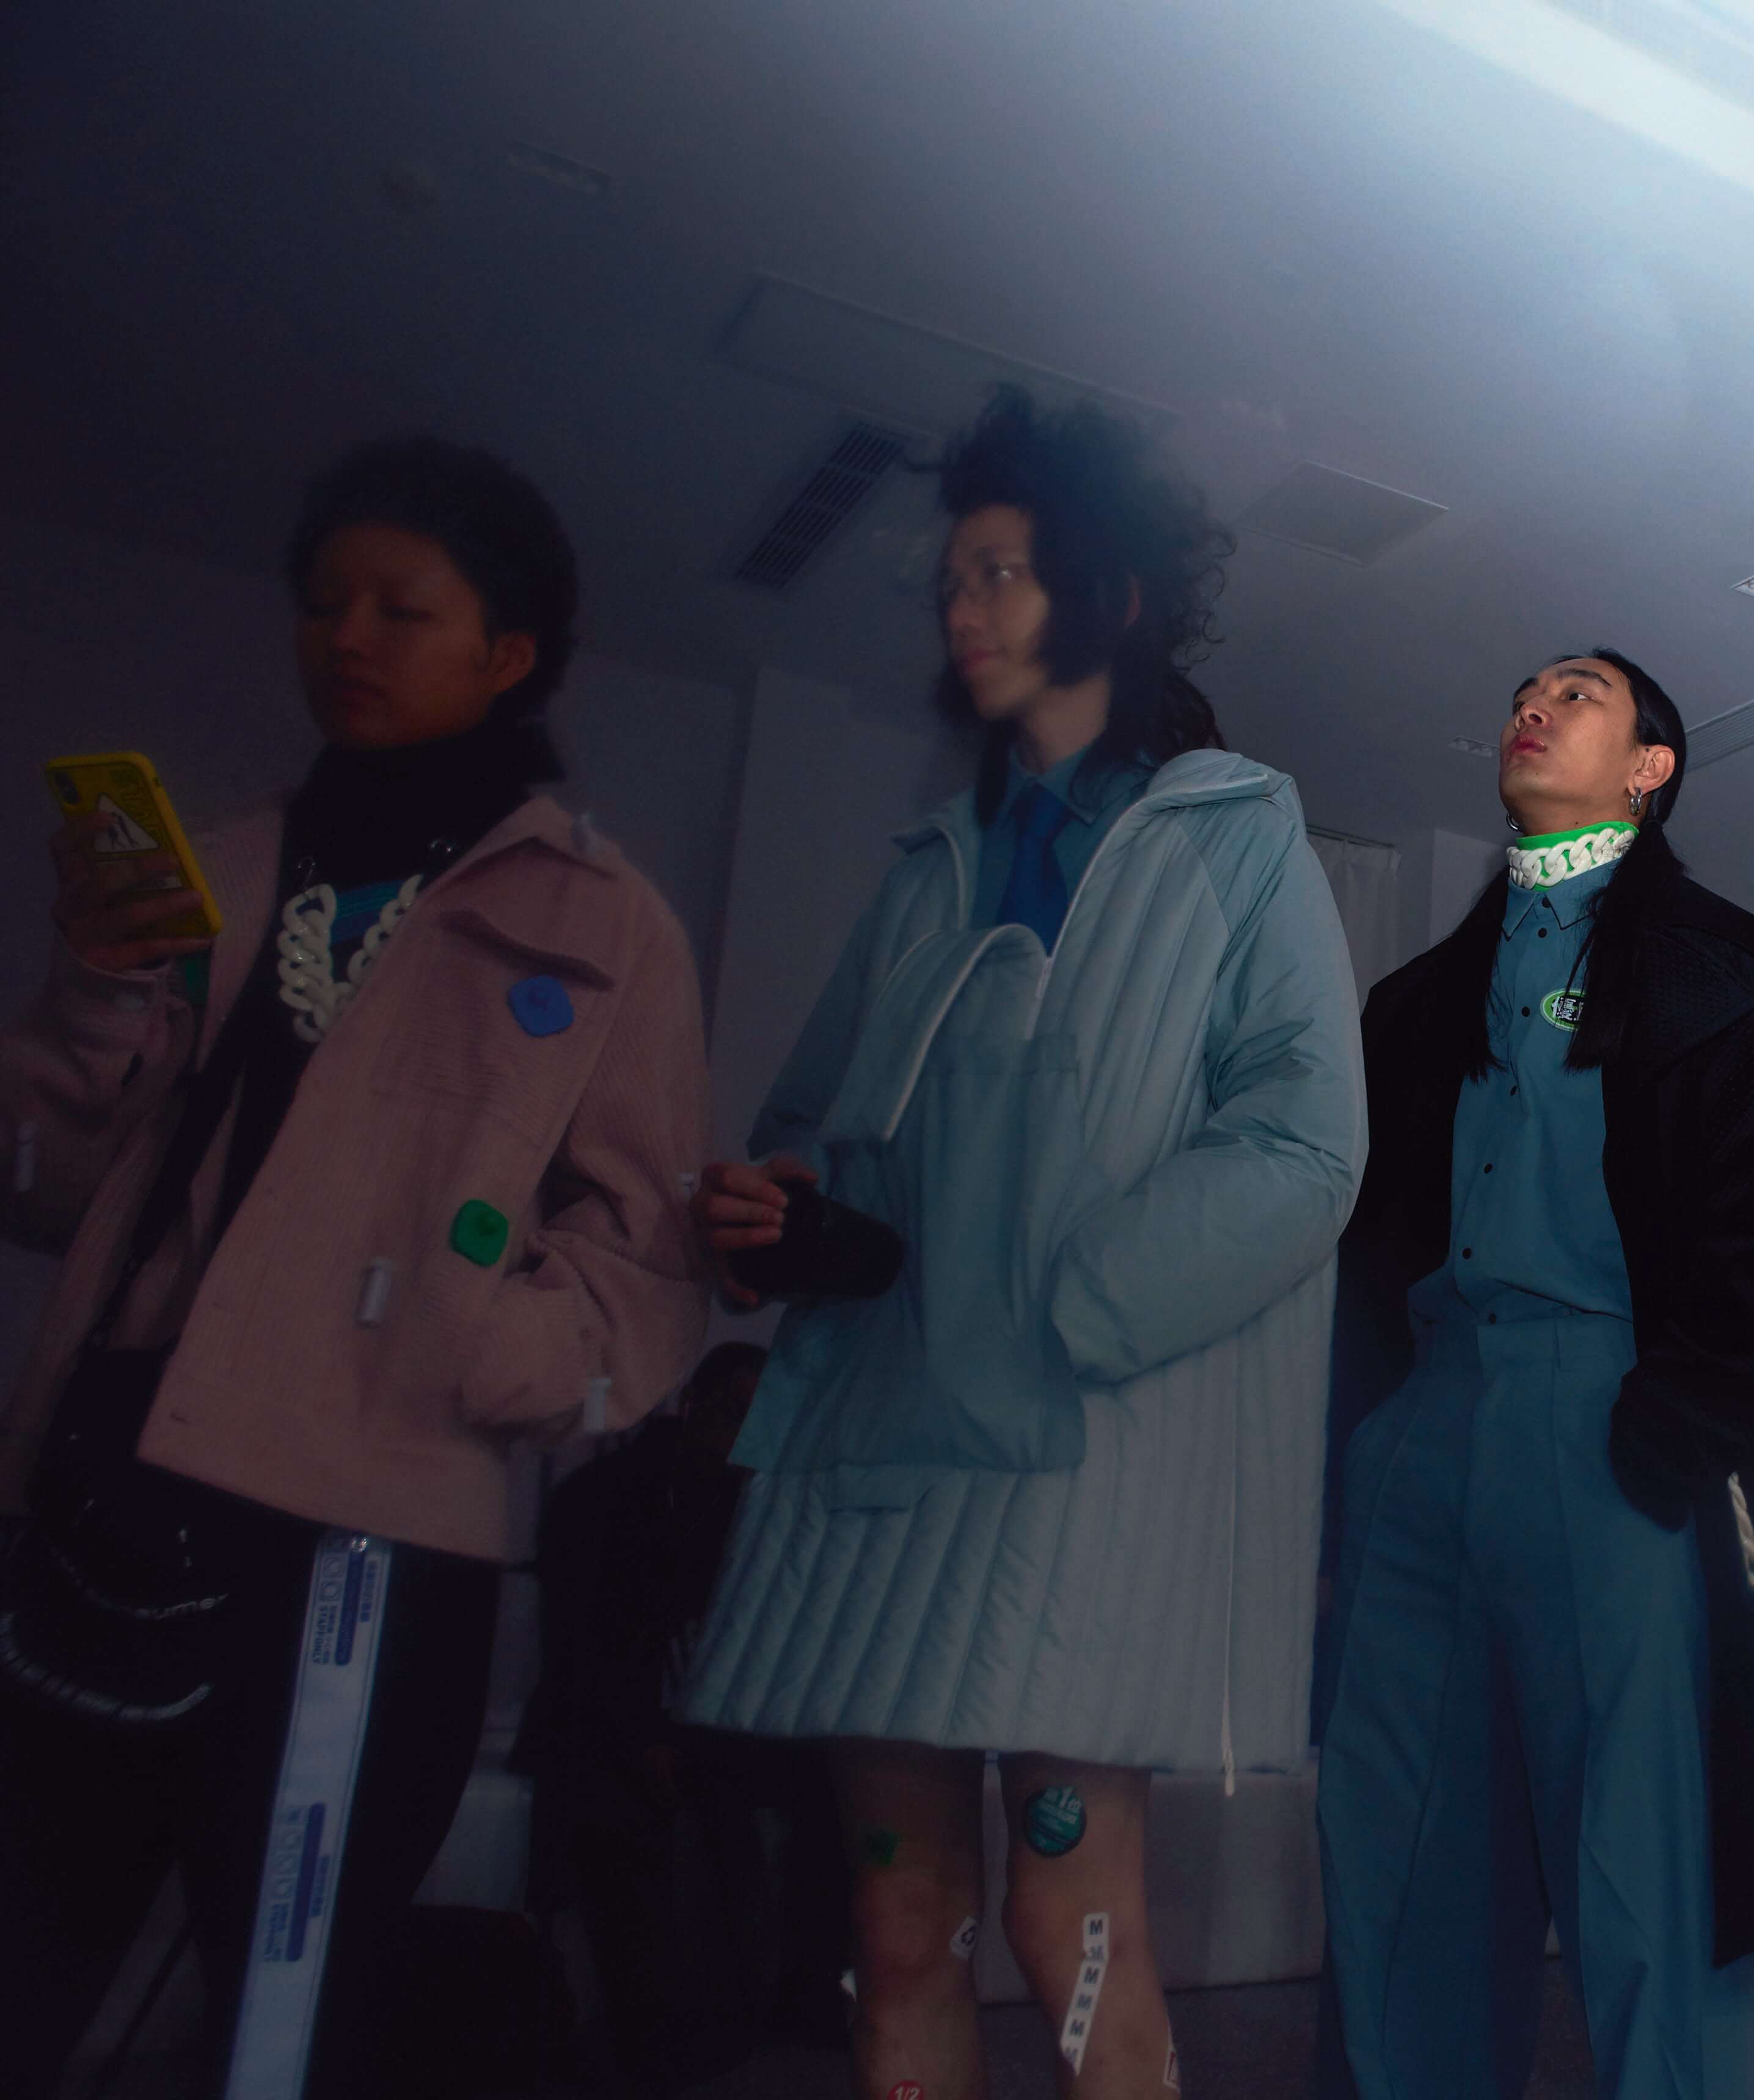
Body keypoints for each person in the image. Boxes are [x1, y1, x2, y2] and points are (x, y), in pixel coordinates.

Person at [0, 438, 711, 2098]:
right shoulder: (226, 866)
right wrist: (95, 988)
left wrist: (482, 1348)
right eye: (325, 603)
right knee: (26, 1954)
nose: (350, 638)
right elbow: (49, 1191)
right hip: (121, 1475)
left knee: (286, 2019)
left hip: (371, 1543)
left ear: (507, 650)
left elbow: (647, 1256)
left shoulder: (605, 922)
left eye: (404, 607)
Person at [679, 388, 1365, 2100]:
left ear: (1112, 597)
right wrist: (779, 1217)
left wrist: (1072, 1301)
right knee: (898, 1916)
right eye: (952, 581)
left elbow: (1307, 1141)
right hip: (879, 1459)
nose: (963, 609)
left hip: (1076, 1467)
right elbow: (809, 1122)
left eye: (1003, 573)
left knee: (1074, 1914)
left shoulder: (1233, 834)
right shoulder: (930, 864)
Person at [1320, 650, 1754, 2100]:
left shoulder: (1722, 971)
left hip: (1617, 1439)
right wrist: (1372, 1429)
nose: (1534, 704)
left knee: (1646, 1871)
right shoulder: (1414, 1001)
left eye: (1579, 693)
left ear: (1652, 769)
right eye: (1525, 689)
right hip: (1421, 1437)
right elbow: (1367, 1244)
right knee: (1399, 1856)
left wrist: (1670, 1435)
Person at [520, 1343, 852, 2087]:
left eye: (765, 1419)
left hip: (708, 1725)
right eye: (735, 1413)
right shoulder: (610, 1496)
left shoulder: (753, 1500)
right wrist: (647, 1736)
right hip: (610, 1726)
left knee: (835, 1787)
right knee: (630, 1810)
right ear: (694, 1407)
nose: (749, 1435)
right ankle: (663, 2024)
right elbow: (586, 1650)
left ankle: (799, 1994)